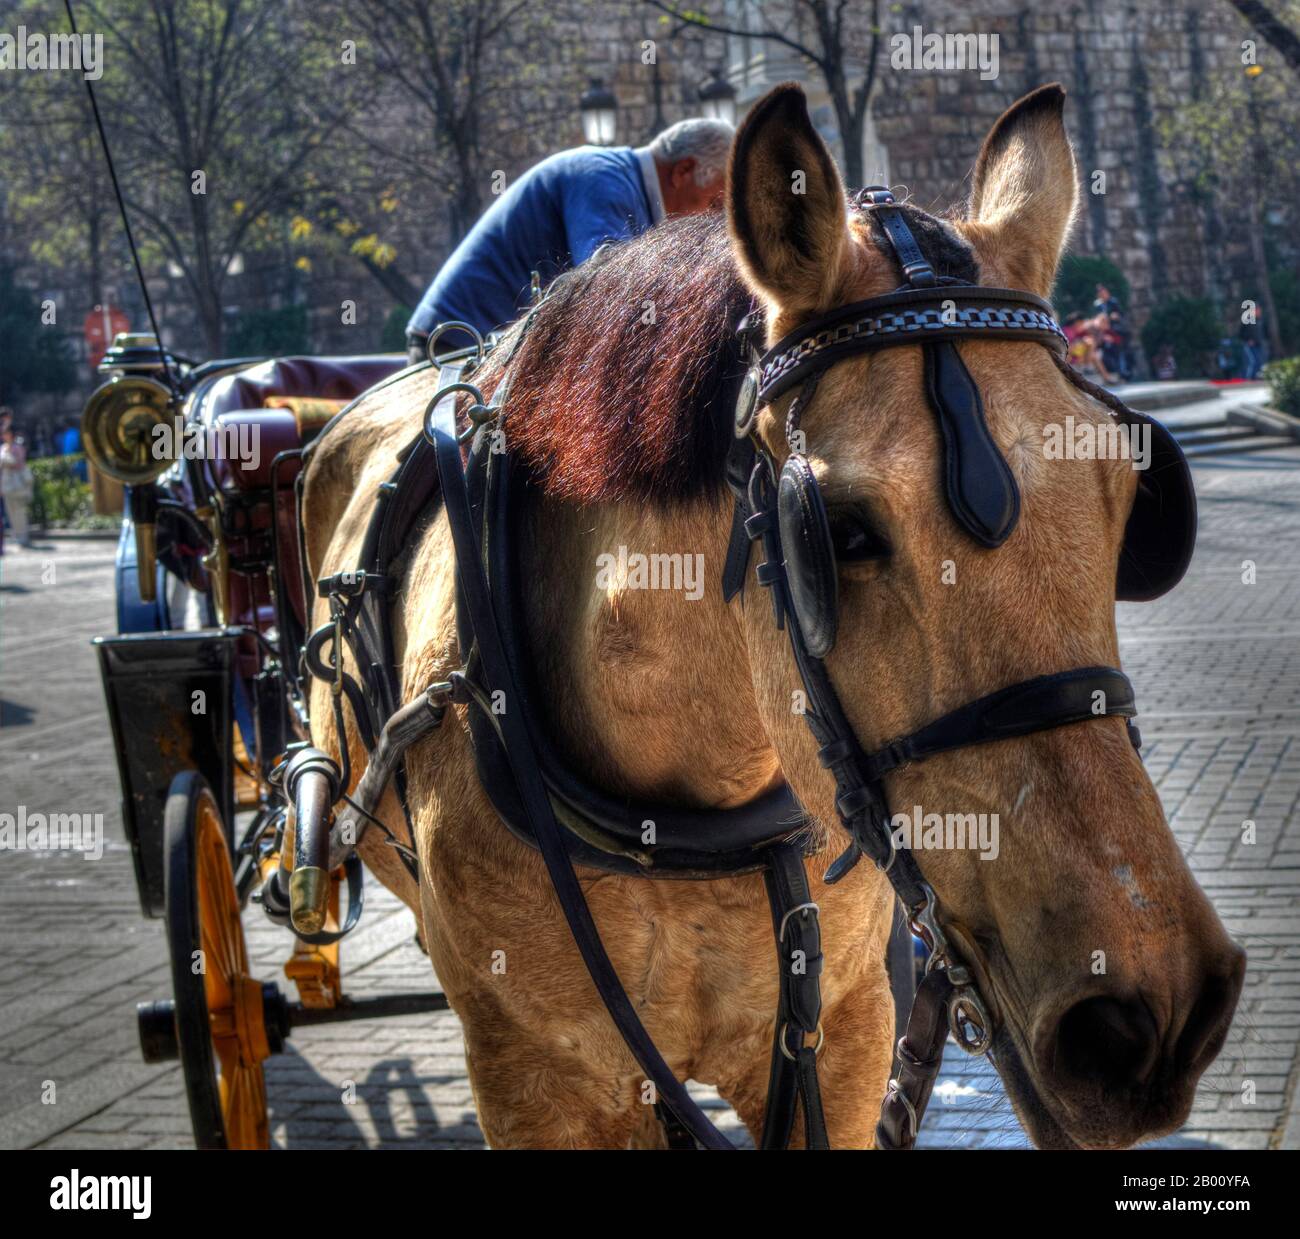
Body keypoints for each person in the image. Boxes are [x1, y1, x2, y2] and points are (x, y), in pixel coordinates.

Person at [405, 117, 734, 363]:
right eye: (716, 204)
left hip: (488, 347)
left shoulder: (623, 184)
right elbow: (609, 294)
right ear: (684, 171)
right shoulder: (604, 179)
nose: (712, 219)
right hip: (456, 346)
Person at [0, 421, 34, 550]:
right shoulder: (2, 448)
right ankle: (18, 536)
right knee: (10, 512)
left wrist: (8, 460)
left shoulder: (17, 447)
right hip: (6, 484)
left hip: (17, 482)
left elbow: (19, 464)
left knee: (20, 511)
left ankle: (23, 537)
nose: (4, 435)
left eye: (6, 433)